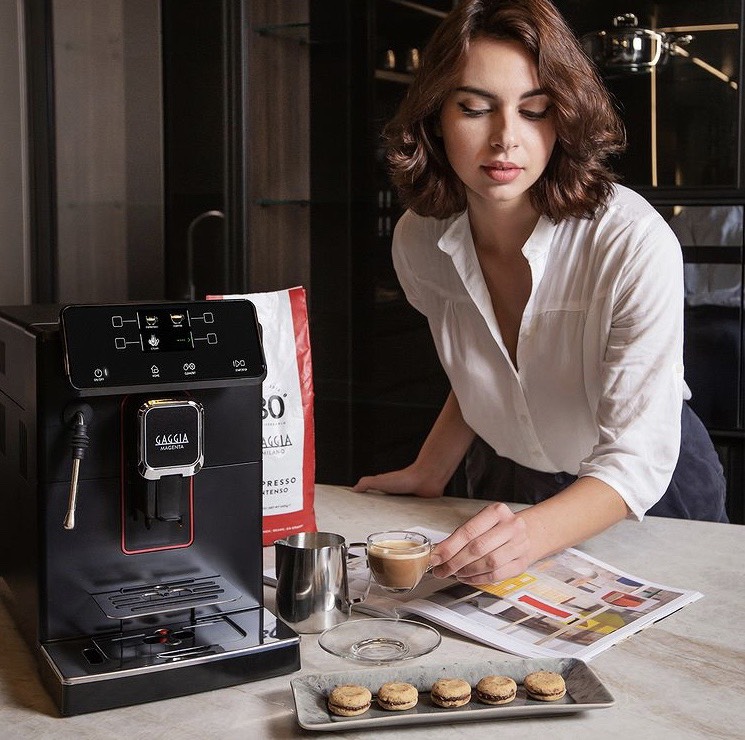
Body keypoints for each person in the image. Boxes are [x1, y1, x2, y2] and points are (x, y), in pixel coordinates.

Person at [352, 0, 728, 587]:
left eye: (534, 110)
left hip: (644, 492)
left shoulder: (631, 241)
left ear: (564, 119)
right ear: (435, 118)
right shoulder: (417, 240)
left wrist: (528, 537)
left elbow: (635, 460)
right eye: (475, 108)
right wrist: (431, 468)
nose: (506, 138)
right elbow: (481, 368)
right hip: (512, 485)